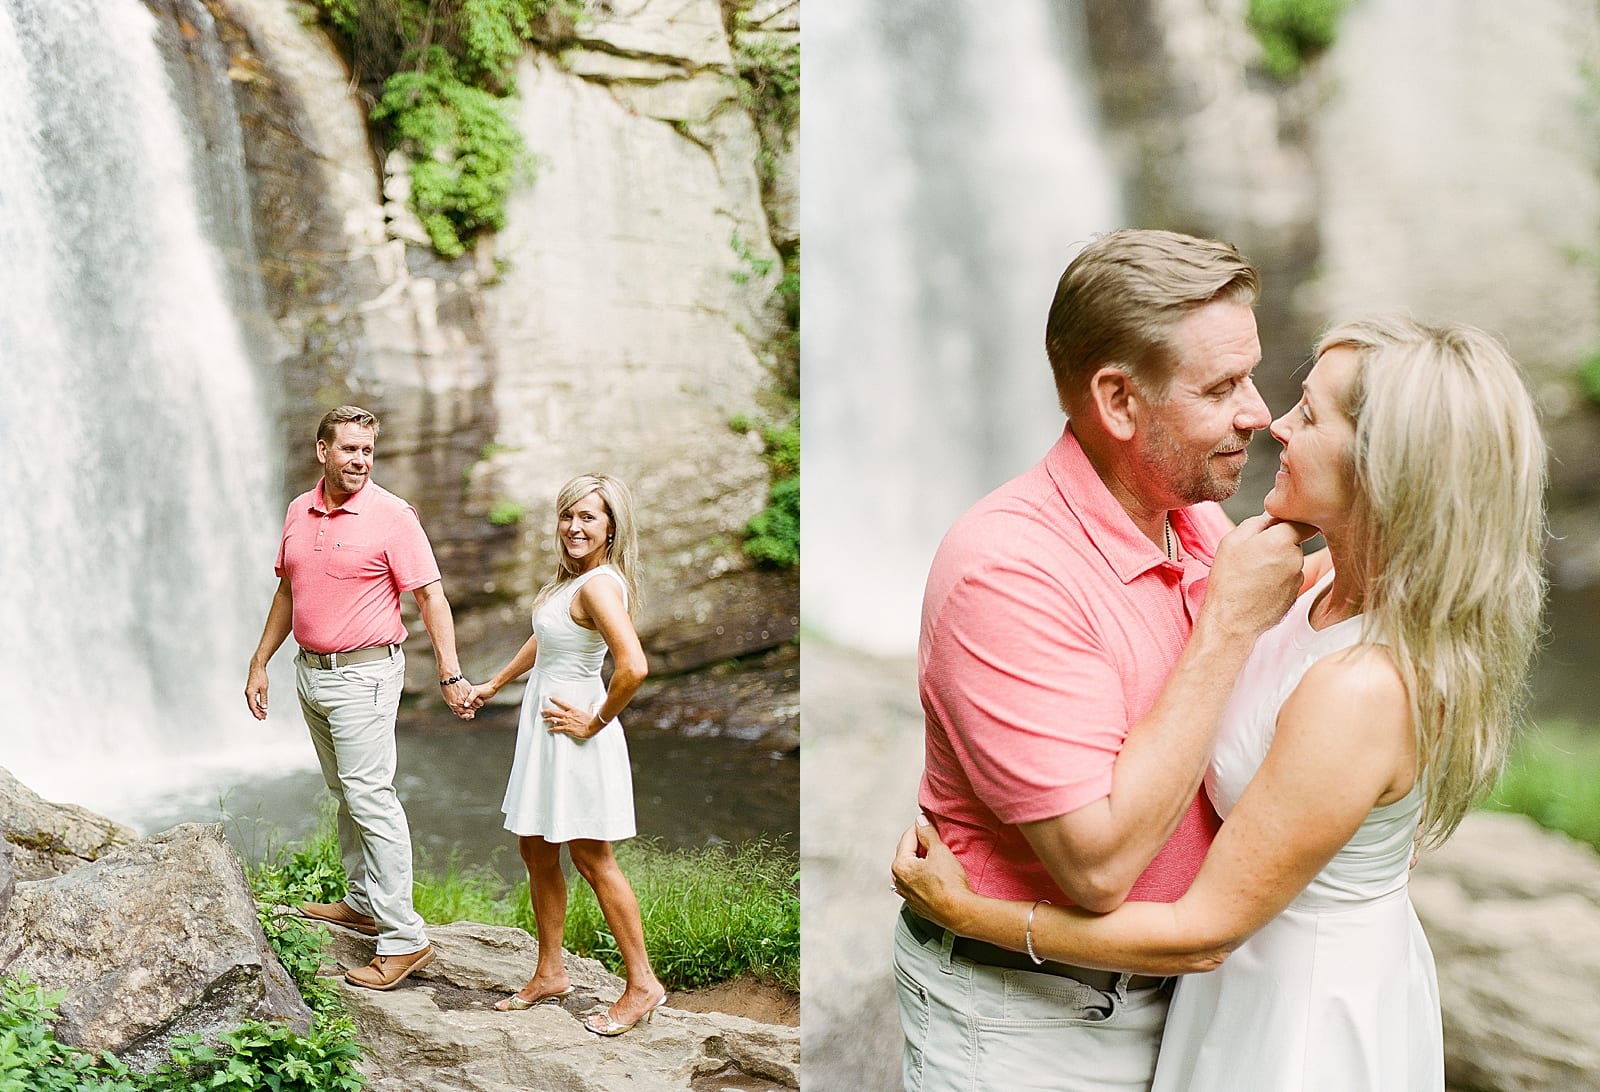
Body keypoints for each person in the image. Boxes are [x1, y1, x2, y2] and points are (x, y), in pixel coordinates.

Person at [893, 315, 1548, 1089]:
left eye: (1308, 414)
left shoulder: (1362, 688)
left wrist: (968, 915)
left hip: (1295, 1019)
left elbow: (1201, 933)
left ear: (1383, 469)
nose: (1272, 420)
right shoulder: (1314, 585)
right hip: (1225, 995)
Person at [895, 228, 1317, 1092]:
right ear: (1118, 401)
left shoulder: (1192, 514)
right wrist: (1225, 628)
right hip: (1032, 1026)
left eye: (1252, 375)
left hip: (1195, 1006)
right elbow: (1096, 867)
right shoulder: (1005, 572)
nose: (1260, 413)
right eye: (1222, 386)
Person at [245, 405, 475, 990]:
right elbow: (288, 589)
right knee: (343, 791)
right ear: (323, 451)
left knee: (371, 798)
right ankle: (363, 902)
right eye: (350, 448)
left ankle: (404, 939)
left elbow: (431, 598)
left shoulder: (393, 516)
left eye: (368, 450)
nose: (361, 460)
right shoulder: (300, 509)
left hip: (365, 677)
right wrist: (259, 661)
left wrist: (449, 673)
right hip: (311, 674)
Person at [465, 473, 667, 1036]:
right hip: (546, 727)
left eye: (589, 518)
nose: (574, 527)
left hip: (573, 730)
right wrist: (494, 683)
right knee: (535, 848)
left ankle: (643, 983)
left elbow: (634, 666)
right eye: (567, 516)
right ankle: (550, 971)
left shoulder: (600, 585)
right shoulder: (570, 583)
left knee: (591, 858)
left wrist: (594, 721)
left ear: (610, 528)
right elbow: (547, 639)